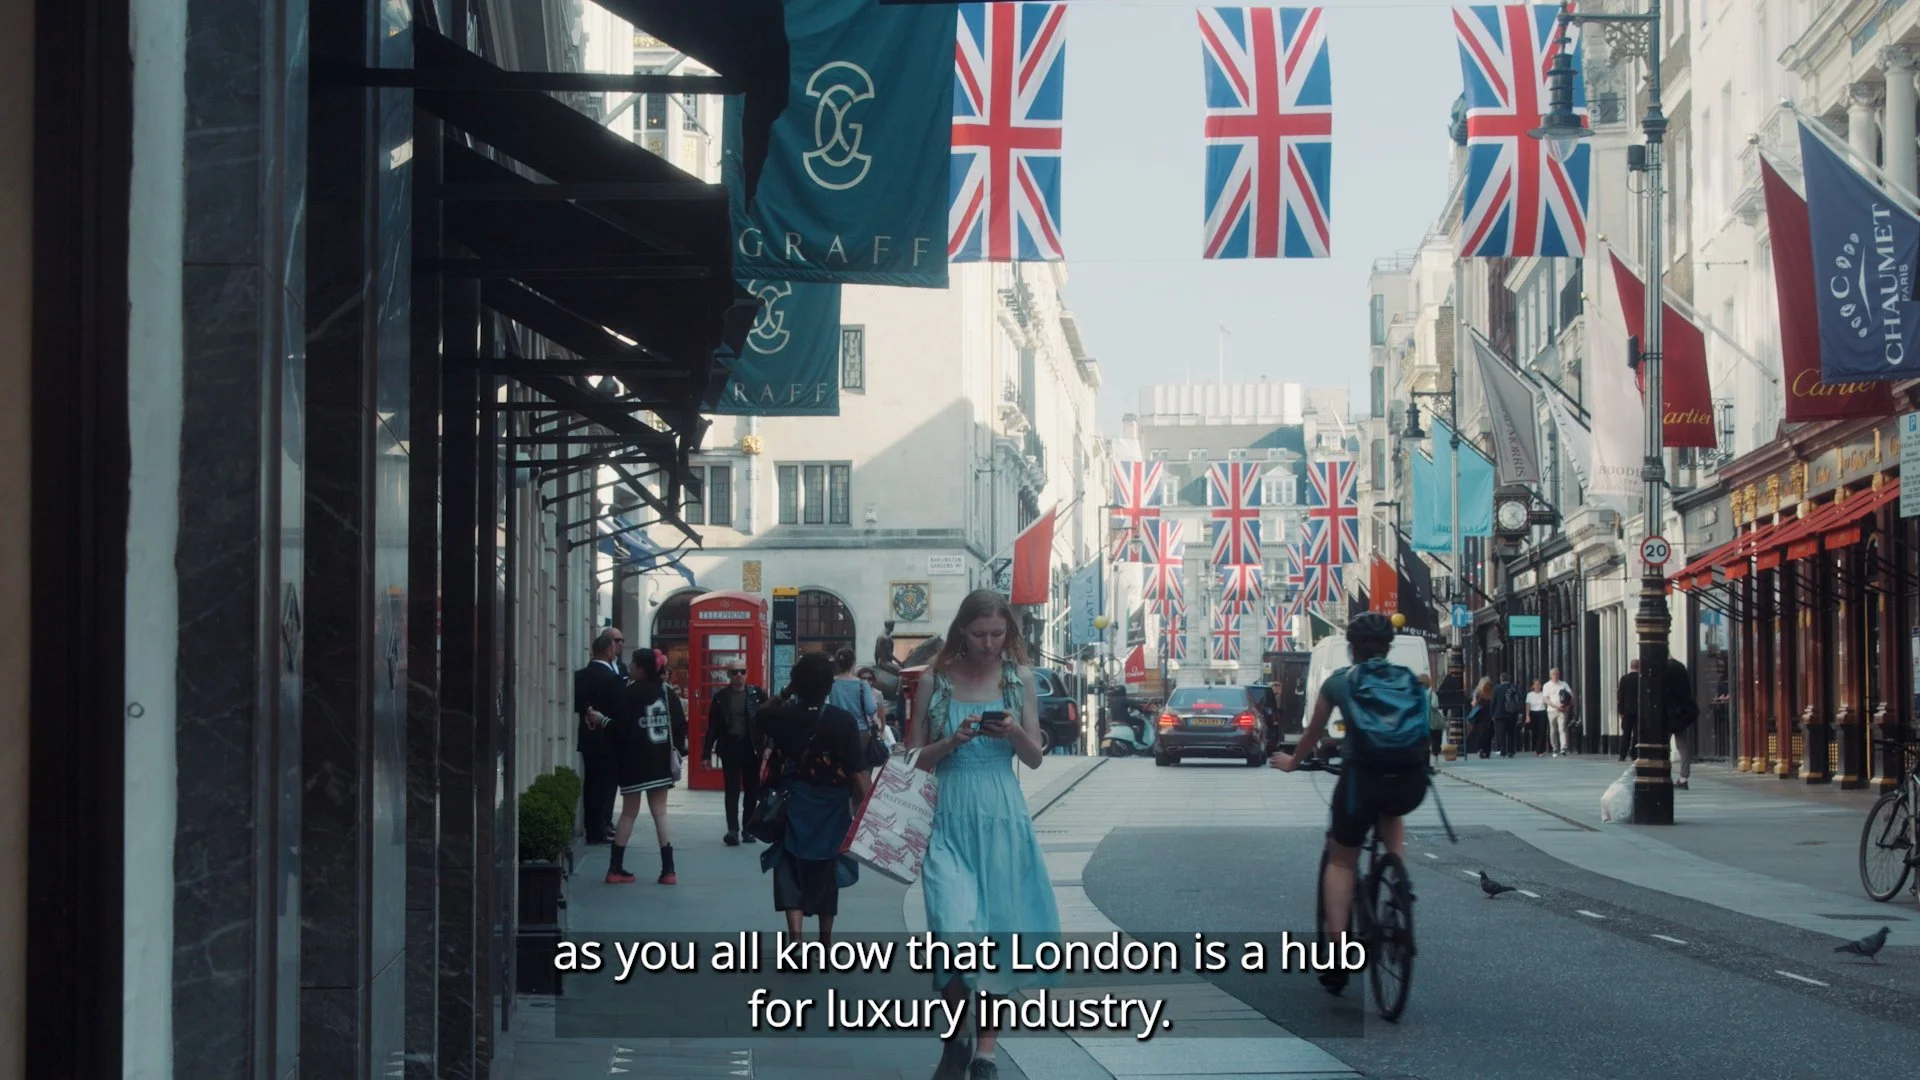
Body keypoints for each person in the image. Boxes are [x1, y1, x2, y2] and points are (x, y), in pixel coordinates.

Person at [909, 589, 1061, 1080]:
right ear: (961, 631)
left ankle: (986, 1053)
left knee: (997, 933)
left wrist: (1014, 730)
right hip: (948, 815)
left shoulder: (1020, 681)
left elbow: (1034, 756)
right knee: (953, 931)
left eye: (998, 634)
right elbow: (911, 761)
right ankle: (957, 1035)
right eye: (979, 634)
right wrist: (952, 740)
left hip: (1001, 816)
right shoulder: (936, 682)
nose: (989, 644)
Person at [1270, 612, 1430, 996]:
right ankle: (1397, 877)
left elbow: (1313, 732)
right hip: (1410, 782)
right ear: (1388, 647)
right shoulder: (1410, 681)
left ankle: (1339, 955)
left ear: (1351, 648)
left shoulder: (1340, 681)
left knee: (1341, 859)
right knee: (1393, 809)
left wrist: (1293, 762)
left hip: (1363, 783)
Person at [758, 651, 871, 942]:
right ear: (828, 687)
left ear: (796, 683)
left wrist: (787, 692)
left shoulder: (781, 716)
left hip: (794, 801)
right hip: (832, 806)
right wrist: (870, 811)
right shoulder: (843, 721)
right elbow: (857, 772)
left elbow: (761, 715)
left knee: (790, 868)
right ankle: (824, 939)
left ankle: (795, 938)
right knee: (825, 870)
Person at [600, 648, 688, 885]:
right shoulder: (666, 692)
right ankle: (668, 870)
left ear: (641, 668)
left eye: (632, 664)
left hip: (633, 762)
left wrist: (602, 720)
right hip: (660, 762)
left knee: (629, 812)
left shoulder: (629, 694)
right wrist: (679, 750)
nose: (629, 667)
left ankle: (615, 867)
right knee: (660, 813)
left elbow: (620, 730)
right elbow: (680, 725)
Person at [703, 667, 769, 847]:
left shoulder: (758, 694)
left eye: (742, 671)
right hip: (730, 746)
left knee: (751, 789)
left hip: (752, 747)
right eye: (734, 672)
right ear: (728, 675)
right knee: (731, 789)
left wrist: (770, 746)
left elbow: (767, 720)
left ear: (747, 674)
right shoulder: (721, 697)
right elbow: (713, 727)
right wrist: (706, 754)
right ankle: (732, 829)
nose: (739, 675)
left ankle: (748, 829)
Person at [572, 628, 625, 844]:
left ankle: (592, 827)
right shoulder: (613, 679)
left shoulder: (579, 676)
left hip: (588, 738)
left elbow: (578, 705)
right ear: (608, 650)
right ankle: (600, 827)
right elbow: (620, 710)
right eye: (615, 645)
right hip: (608, 739)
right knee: (605, 787)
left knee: (591, 784)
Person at [829, 647, 887, 771]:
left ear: (838, 664)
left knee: (841, 766)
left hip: (837, 731)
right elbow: (870, 709)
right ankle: (861, 789)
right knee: (861, 767)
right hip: (860, 731)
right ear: (853, 664)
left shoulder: (831, 683)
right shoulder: (862, 684)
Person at [1542, 668, 1574, 756]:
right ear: (1550, 675)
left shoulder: (1563, 684)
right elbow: (1546, 699)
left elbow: (1571, 696)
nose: (1555, 676)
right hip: (1552, 710)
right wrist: (1556, 706)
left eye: (1557, 674)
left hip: (1562, 710)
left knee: (1562, 728)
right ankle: (1555, 748)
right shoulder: (1546, 685)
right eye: (1554, 674)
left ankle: (1563, 748)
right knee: (1553, 730)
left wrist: (1566, 706)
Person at [1491, 673, 1522, 759]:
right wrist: (1519, 712)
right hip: (1512, 714)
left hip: (1500, 714)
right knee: (1511, 733)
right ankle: (1511, 750)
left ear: (1501, 679)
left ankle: (1503, 751)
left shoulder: (1497, 688)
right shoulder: (1514, 687)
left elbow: (1493, 701)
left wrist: (1492, 713)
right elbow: (1519, 700)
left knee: (1501, 733)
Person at [1616, 660, 1641, 762]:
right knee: (1636, 734)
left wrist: (1620, 711)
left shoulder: (1624, 679)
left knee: (1626, 733)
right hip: (1639, 710)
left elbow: (1620, 696)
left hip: (1627, 710)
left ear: (1631, 666)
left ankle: (1622, 755)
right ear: (1639, 666)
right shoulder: (1641, 679)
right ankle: (1634, 754)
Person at [1465, 677, 1494, 758]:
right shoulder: (1491, 692)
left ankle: (1480, 749)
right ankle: (1486, 751)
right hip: (1488, 714)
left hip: (1479, 714)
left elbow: (1473, 704)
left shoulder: (1477, 692)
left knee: (1479, 732)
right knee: (1488, 733)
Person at [1420, 674, 1442, 759]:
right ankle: (1435, 753)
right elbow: (1435, 705)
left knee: (1425, 739)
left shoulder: (1417, 693)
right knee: (1436, 736)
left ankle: (1424, 755)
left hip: (1422, 720)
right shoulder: (1431, 693)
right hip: (1431, 720)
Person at [1525, 679, 1549, 756]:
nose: (1537, 686)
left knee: (1542, 731)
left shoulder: (1543, 694)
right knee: (1535, 731)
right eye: (1535, 684)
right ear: (1533, 686)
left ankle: (1540, 750)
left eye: (1539, 684)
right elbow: (1528, 706)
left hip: (1542, 712)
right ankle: (1536, 748)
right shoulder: (1529, 695)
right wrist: (1527, 716)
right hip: (1533, 713)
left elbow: (1546, 704)